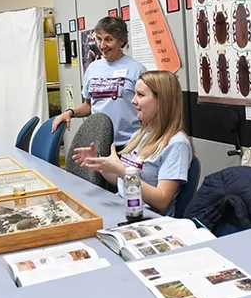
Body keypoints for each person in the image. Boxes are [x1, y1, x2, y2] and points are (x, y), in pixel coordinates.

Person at [72, 70, 192, 216]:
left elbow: (162, 200)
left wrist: (123, 172)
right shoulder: (139, 135)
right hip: (122, 209)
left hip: (148, 219)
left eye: (140, 95)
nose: (133, 100)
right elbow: (122, 183)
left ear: (162, 101)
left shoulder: (177, 144)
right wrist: (103, 165)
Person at [53, 16, 146, 149]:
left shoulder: (137, 70)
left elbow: (149, 110)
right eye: (99, 39)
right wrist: (70, 112)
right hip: (99, 143)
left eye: (109, 39)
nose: (102, 45)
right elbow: (89, 105)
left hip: (130, 144)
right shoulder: (93, 68)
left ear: (122, 41)